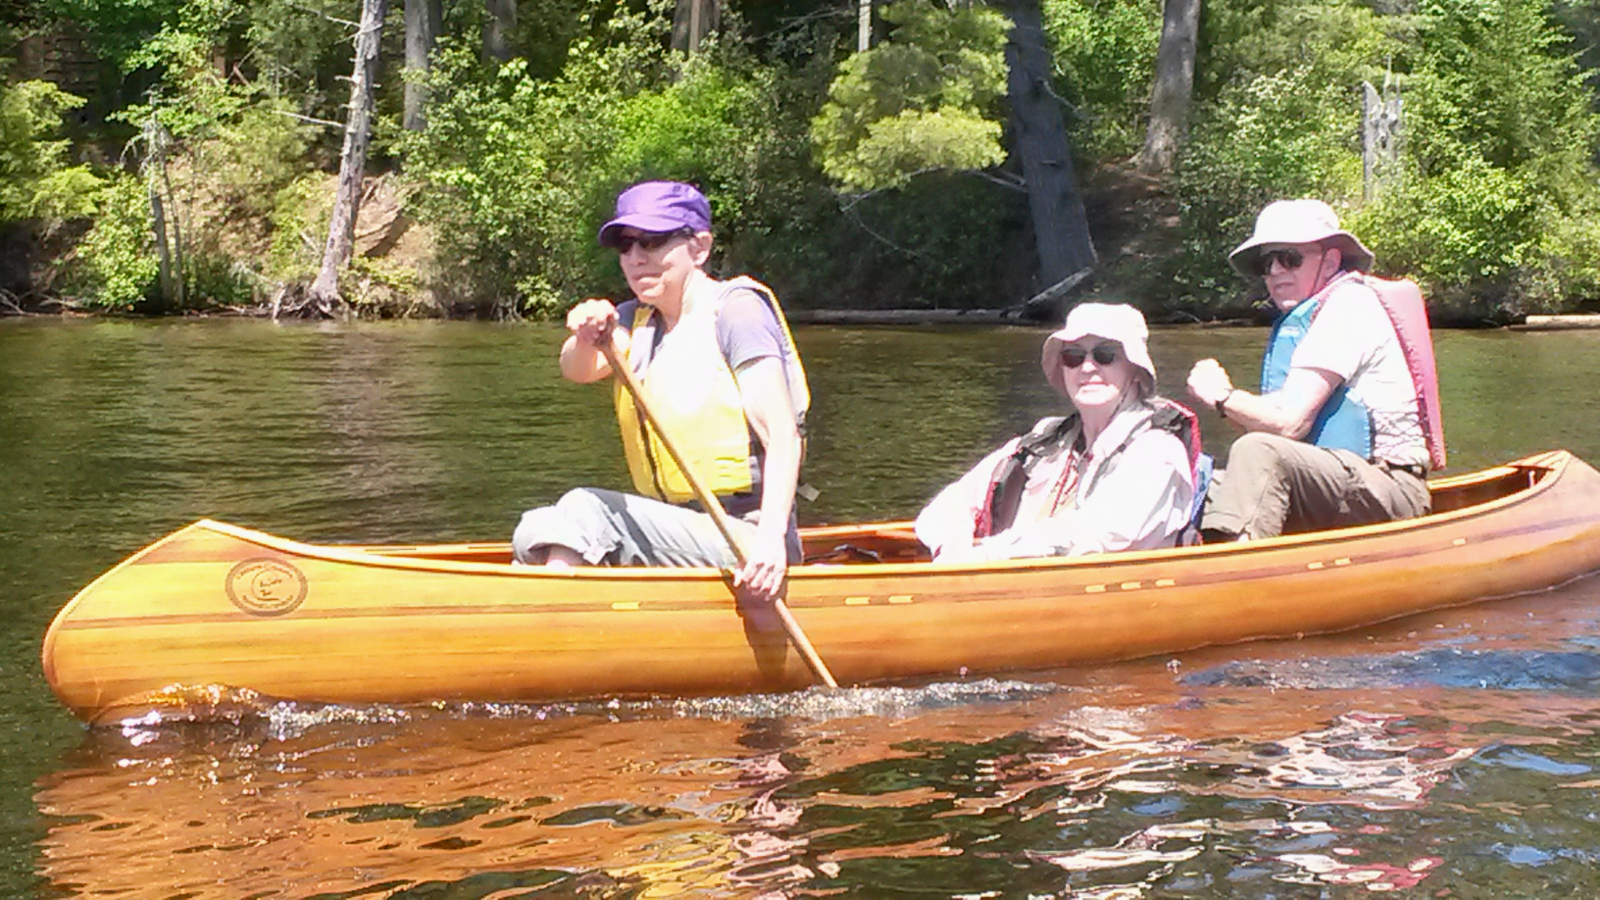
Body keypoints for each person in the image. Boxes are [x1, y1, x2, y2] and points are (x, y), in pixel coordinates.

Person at [511, 180, 809, 604]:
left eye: (651, 242)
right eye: (625, 245)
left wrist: (771, 542)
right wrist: (587, 334)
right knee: (534, 529)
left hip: (749, 534)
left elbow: (782, 435)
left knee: (585, 508)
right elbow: (576, 369)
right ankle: (555, 606)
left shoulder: (736, 312)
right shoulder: (633, 321)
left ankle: (548, 613)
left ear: (699, 248)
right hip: (675, 528)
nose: (636, 257)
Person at [1186, 198, 1446, 541]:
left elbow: (1289, 424)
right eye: (1266, 262)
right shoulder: (1308, 318)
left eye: (1289, 258)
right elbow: (1271, 426)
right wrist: (1227, 403)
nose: (1275, 270)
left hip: (1390, 487)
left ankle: (1238, 566)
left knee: (1256, 452)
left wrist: (1222, 395)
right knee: (1193, 482)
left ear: (1331, 261)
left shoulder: (1349, 305)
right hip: (1335, 484)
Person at [915, 302, 1199, 563]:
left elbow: (1102, 531)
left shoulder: (1158, 449)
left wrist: (988, 554)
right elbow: (946, 506)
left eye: (1106, 355)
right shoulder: (1044, 439)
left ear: (1135, 370)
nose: (1087, 367)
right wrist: (953, 545)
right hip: (1012, 578)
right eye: (1073, 356)